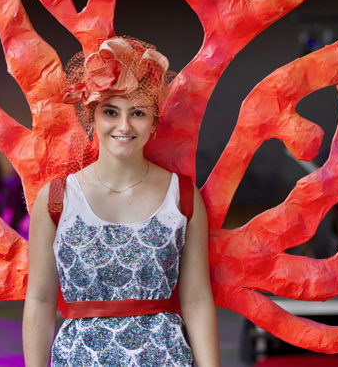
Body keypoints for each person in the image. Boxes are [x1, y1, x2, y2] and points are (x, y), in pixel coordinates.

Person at [23, 37, 219, 366]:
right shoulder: (56, 198)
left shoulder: (183, 196)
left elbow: (197, 299)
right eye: (111, 111)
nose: (124, 126)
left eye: (138, 112)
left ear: (154, 120)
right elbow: (40, 301)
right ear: (92, 116)